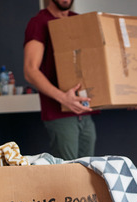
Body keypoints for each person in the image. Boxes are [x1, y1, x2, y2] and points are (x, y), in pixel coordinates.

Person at [24, 0, 98, 160]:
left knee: (89, 171)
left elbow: (95, 62)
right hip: (60, 114)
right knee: (67, 172)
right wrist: (64, 98)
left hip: (85, 111)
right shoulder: (39, 23)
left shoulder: (79, 21)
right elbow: (30, 70)